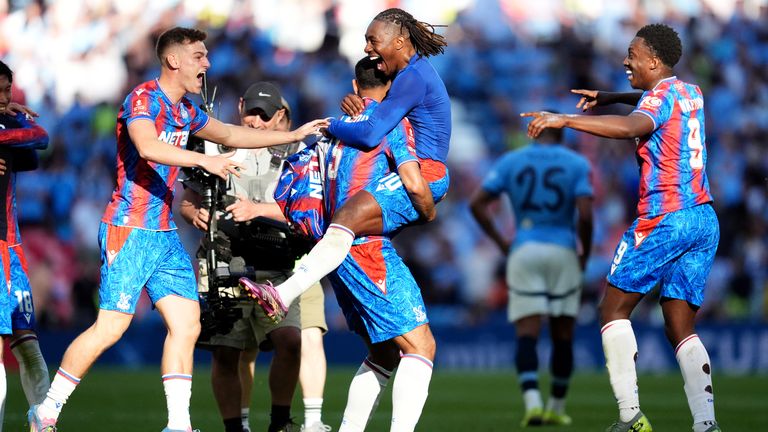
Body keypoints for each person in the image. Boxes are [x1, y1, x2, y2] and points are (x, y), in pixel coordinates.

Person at [27, 27, 327, 432]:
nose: (206, 64)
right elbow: (148, 146)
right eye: (199, 56)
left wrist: (291, 134)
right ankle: (47, 409)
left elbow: (227, 133)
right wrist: (206, 162)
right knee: (111, 327)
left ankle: (178, 424)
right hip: (129, 228)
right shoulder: (142, 99)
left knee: (187, 324)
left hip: (164, 234)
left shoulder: (185, 110)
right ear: (173, 61)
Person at [522, 23, 721, 432]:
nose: (625, 60)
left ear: (653, 60)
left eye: (632, 53)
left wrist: (564, 120)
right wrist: (611, 98)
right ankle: (706, 424)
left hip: (665, 216)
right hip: (703, 218)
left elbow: (634, 127)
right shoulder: (690, 92)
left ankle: (631, 417)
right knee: (680, 325)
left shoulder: (659, 100)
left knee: (612, 309)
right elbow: (652, 101)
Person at [241, 8, 450, 326]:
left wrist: (333, 125)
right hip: (412, 172)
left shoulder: (412, 78)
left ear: (399, 40)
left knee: (345, 218)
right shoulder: (408, 76)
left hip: (423, 172)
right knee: (387, 354)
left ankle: (284, 294)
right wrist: (362, 105)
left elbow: (369, 134)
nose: (367, 47)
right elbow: (377, 115)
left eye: (372, 40)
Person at [275, 56, 435, 432]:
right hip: (366, 248)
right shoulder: (388, 122)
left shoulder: (334, 128)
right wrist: (428, 210)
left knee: (383, 352)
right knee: (421, 346)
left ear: (353, 84)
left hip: (336, 249)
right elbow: (412, 181)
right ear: (393, 89)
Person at [179, 83, 329, 432]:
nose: (257, 122)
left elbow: (311, 206)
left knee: (291, 342)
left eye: (265, 115)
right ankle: (236, 427)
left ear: (280, 116)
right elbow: (187, 199)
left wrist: (258, 209)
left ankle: (280, 421)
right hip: (223, 260)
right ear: (240, 106)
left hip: (278, 263)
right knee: (226, 352)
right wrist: (193, 214)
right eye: (252, 113)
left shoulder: (297, 152)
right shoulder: (215, 144)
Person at [469, 122, 593, 427]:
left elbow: (477, 204)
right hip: (563, 249)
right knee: (563, 334)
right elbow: (587, 215)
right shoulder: (577, 163)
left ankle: (533, 404)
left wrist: (502, 242)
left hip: (524, 249)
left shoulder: (512, 160)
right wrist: (584, 254)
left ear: (533, 135)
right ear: (562, 134)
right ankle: (556, 406)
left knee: (527, 333)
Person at [0, 59, 51, 429]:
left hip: (11, 250)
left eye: (8, 91)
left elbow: (38, 144)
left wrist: (16, 122)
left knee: (28, 344)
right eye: (0, 92)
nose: (7, 98)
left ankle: (42, 422)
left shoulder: (6, 123)